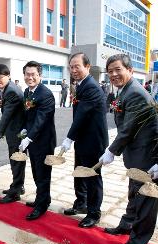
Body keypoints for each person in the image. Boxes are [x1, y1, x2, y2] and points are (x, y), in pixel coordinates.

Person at [100, 54, 158, 244]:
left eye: (118, 69)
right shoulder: (124, 91)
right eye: (110, 71)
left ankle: (138, 242)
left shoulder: (135, 92)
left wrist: (111, 151)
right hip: (136, 155)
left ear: (130, 70)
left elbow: (128, 129)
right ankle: (127, 225)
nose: (114, 74)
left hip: (147, 157)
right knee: (134, 194)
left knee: (145, 201)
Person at [61, 52, 108, 228]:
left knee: (92, 177)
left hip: (94, 141)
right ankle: (81, 203)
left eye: (77, 66)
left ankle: (94, 213)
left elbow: (81, 115)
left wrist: (68, 138)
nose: (73, 70)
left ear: (87, 67)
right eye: (71, 67)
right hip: (83, 139)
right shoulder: (80, 85)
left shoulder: (91, 87)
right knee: (79, 173)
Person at [19, 61, 56, 220]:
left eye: (33, 74)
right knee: (35, 172)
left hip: (43, 141)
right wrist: (24, 130)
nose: (30, 77)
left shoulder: (45, 94)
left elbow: (41, 119)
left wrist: (29, 137)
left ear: (39, 75)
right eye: (27, 74)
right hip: (32, 140)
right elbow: (29, 115)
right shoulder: (28, 91)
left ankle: (42, 206)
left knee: (43, 175)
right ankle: (43, 198)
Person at [0, 64, 26, 204]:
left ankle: (15, 192)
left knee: (16, 161)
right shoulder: (7, 89)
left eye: (1, 77)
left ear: (8, 76)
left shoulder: (11, 91)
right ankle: (18, 186)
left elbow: (6, 115)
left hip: (17, 133)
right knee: (17, 161)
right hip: (15, 130)